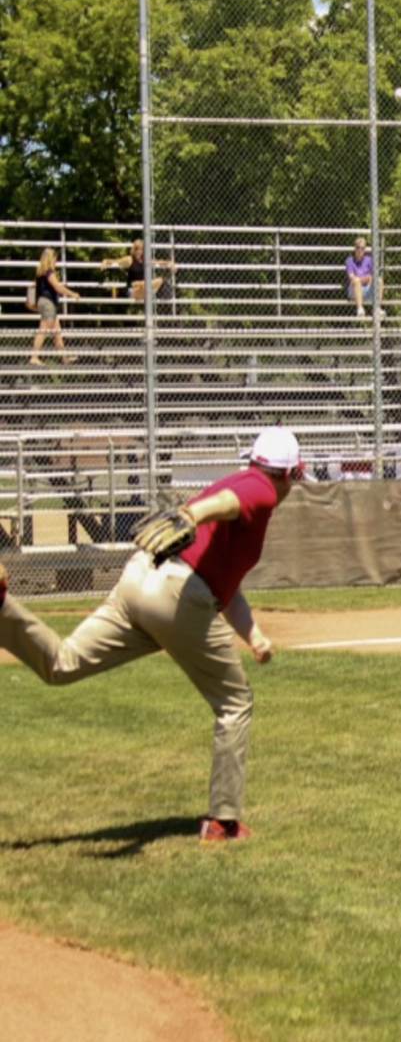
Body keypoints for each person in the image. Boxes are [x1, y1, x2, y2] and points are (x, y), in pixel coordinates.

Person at [0, 427, 305, 842]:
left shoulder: (234, 481)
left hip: (142, 575)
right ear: (291, 473)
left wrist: (254, 636)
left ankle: (3, 610)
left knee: (62, 663)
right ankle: (223, 822)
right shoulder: (261, 489)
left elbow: (226, 589)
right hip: (176, 595)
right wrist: (195, 515)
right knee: (235, 701)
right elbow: (241, 500)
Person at [26, 248, 81, 366]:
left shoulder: (40, 272)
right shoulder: (48, 271)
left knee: (57, 332)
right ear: (51, 259)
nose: (56, 261)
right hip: (48, 303)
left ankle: (64, 357)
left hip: (45, 302)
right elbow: (57, 287)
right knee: (43, 330)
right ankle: (34, 356)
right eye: (55, 258)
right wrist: (72, 294)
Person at [99, 238, 176, 302]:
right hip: (133, 291)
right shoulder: (129, 260)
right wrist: (105, 261)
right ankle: (150, 291)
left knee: (160, 280)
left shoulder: (146, 260)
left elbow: (160, 262)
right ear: (134, 250)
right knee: (143, 285)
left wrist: (170, 263)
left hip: (144, 288)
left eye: (141, 249)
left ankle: (151, 291)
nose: (139, 251)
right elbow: (116, 261)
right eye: (137, 249)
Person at [345, 237, 383, 318]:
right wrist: (364, 279)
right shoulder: (349, 261)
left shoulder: (369, 260)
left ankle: (377, 309)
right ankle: (360, 309)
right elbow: (351, 277)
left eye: (362, 248)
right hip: (354, 291)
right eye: (358, 248)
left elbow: (373, 276)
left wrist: (368, 278)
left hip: (367, 289)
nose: (360, 250)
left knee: (379, 280)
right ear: (355, 248)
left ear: (365, 249)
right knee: (356, 281)